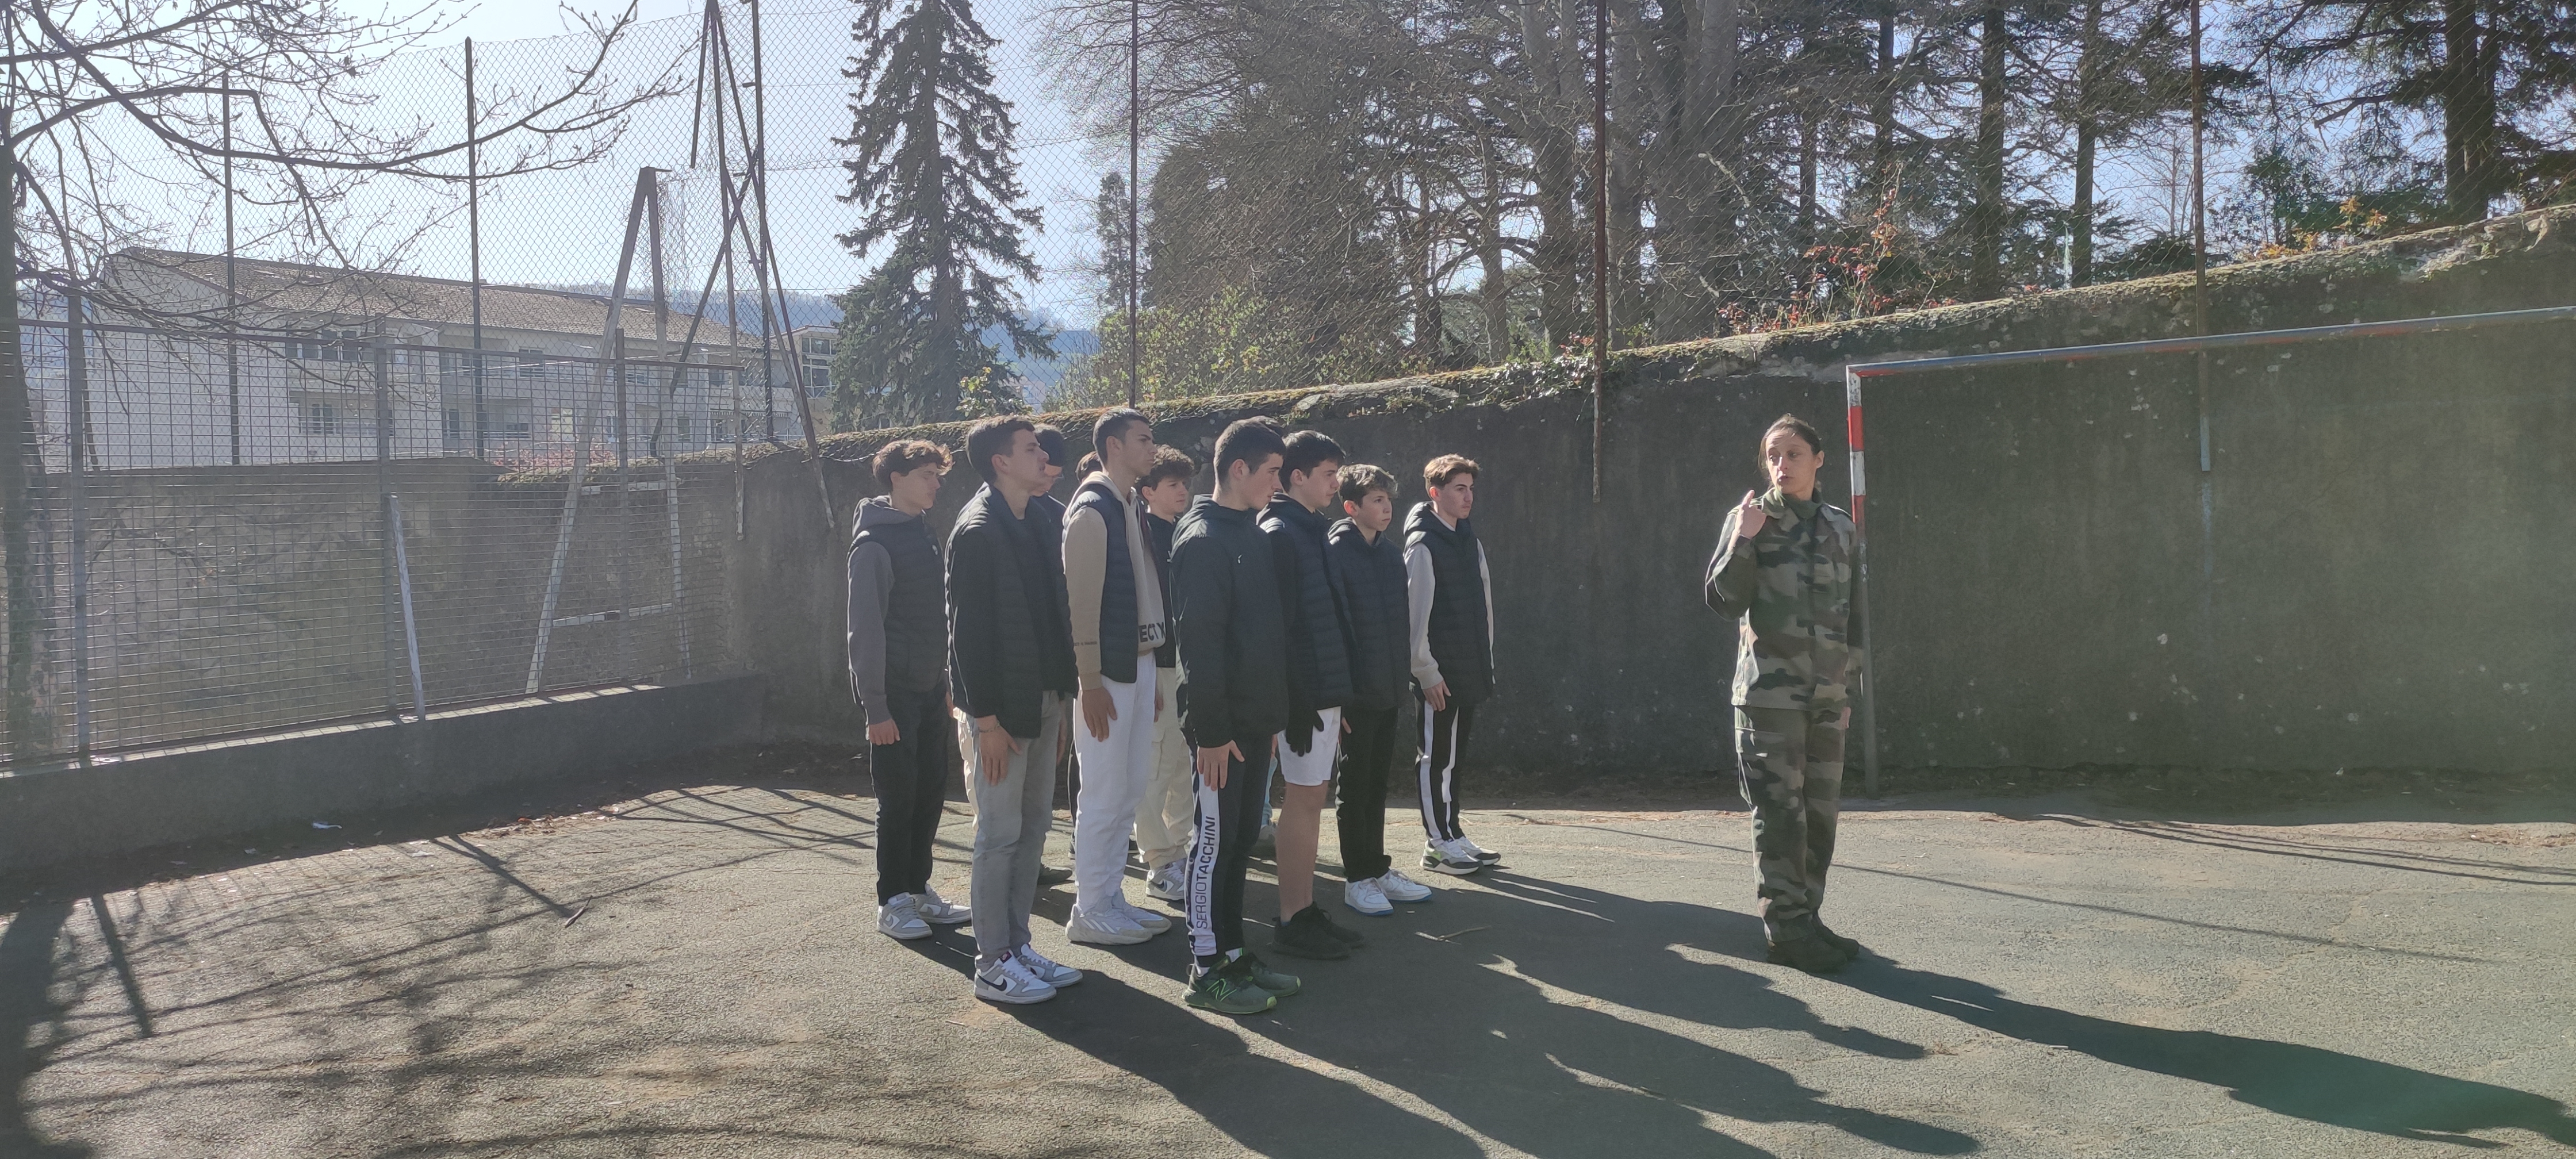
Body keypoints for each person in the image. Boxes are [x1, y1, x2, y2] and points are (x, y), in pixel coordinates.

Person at [1704, 413, 1862, 975]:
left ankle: (1806, 917)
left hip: (1824, 698)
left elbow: (1855, 616)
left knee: (1819, 815)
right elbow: (1722, 600)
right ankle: (1784, 930)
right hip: (1767, 699)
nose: (1782, 465)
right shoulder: (1750, 519)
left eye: (1794, 454)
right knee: (1779, 814)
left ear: (1818, 461)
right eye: (1773, 455)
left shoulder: (1841, 527)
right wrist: (1744, 539)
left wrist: (1845, 691)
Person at [949, 417, 1084, 1004]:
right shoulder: (977, 531)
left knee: (1032, 829)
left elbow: (1054, 621)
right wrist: (987, 724)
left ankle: (1018, 944)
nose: (1044, 458)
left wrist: (1061, 700)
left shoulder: (1039, 519)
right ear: (1001, 462)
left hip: (1045, 701)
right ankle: (992, 963)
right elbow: (966, 639)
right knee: (998, 835)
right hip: (1001, 714)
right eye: (1031, 450)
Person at [1170, 417, 1302, 1015]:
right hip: (1221, 732)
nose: (1280, 483)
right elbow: (1200, 648)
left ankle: (1233, 954)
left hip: (1255, 723)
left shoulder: (1249, 530)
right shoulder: (1202, 539)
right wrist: (1213, 733)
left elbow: (1263, 637)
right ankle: (1206, 971)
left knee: (1242, 839)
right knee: (1213, 846)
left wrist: (1272, 719)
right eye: (1273, 472)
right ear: (1239, 469)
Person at [850, 439, 972, 941]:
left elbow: (935, 617)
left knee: (928, 794)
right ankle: (892, 900)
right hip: (893, 697)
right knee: (897, 799)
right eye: (926, 474)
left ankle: (919, 890)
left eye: (938, 475)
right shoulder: (873, 545)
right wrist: (875, 707)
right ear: (896, 478)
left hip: (928, 690)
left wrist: (945, 682)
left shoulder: (922, 532)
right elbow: (865, 631)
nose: (937, 484)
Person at [1061, 409, 1175, 946]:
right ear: (1113, 446)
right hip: (1107, 673)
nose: (1153, 449)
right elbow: (1080, 605)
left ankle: (1109, 896)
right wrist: (1089, 680)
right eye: (1143, 440)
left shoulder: (1130, 503)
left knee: (1129, 788)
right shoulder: (1092, 508)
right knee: (1104, 793)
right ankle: (1089, 908)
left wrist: (1148, 674)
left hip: (1139, 664)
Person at [1262, 430, 1370, 960]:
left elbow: (1328, 618)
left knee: (1311, 800)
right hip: (1301, 701)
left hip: (1321, 694)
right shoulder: (1281, 530)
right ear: (1297, 476)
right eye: (1328, 474)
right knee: (1302, 802)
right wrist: (1299, 702)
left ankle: (1303, 910)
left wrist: (1338, 695)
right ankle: (1291, 919)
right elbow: (1279, 630)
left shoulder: (1311, 528)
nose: (1336, 482)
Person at [1325, 464, 1434, 916]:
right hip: (1355, 694)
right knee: (1354, 784)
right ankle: (1357, 878)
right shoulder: (1335, 552)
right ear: (1351, 507)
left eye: (1389, 500)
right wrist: (1343, 695)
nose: (1387, 508)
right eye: (1376, 501)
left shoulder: (1391, 555)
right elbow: (1335, 627)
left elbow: (1399, 627)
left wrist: (1402, 680)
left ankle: (1378, 867)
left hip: (1388, 688)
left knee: (1376, 782)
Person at [1406, 454, 1498, 876]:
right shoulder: (1423, 544)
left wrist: (1486, 661)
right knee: (1435, 758)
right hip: (1439, 679)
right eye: (1459, 489)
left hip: (1469, 670)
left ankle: (1454, 833)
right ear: (1435, 493)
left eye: (1470, 489)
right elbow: (1415, 618)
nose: (1468, 497)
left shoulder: (1468, 538)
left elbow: (1484, 607)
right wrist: (1427, 672)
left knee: (1455, 758)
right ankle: (1437, 845)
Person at [1133, 447, 1199, 904]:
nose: (1183, 491)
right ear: (1148, 491)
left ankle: (1182, 850)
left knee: (1183, 762)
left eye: (1184, 483)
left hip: (1186, 665)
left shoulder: (1184, 532)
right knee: (1154, 766)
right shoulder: (1141, 536)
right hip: (1156, 665)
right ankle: (1158, 861)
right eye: (1172, 484)